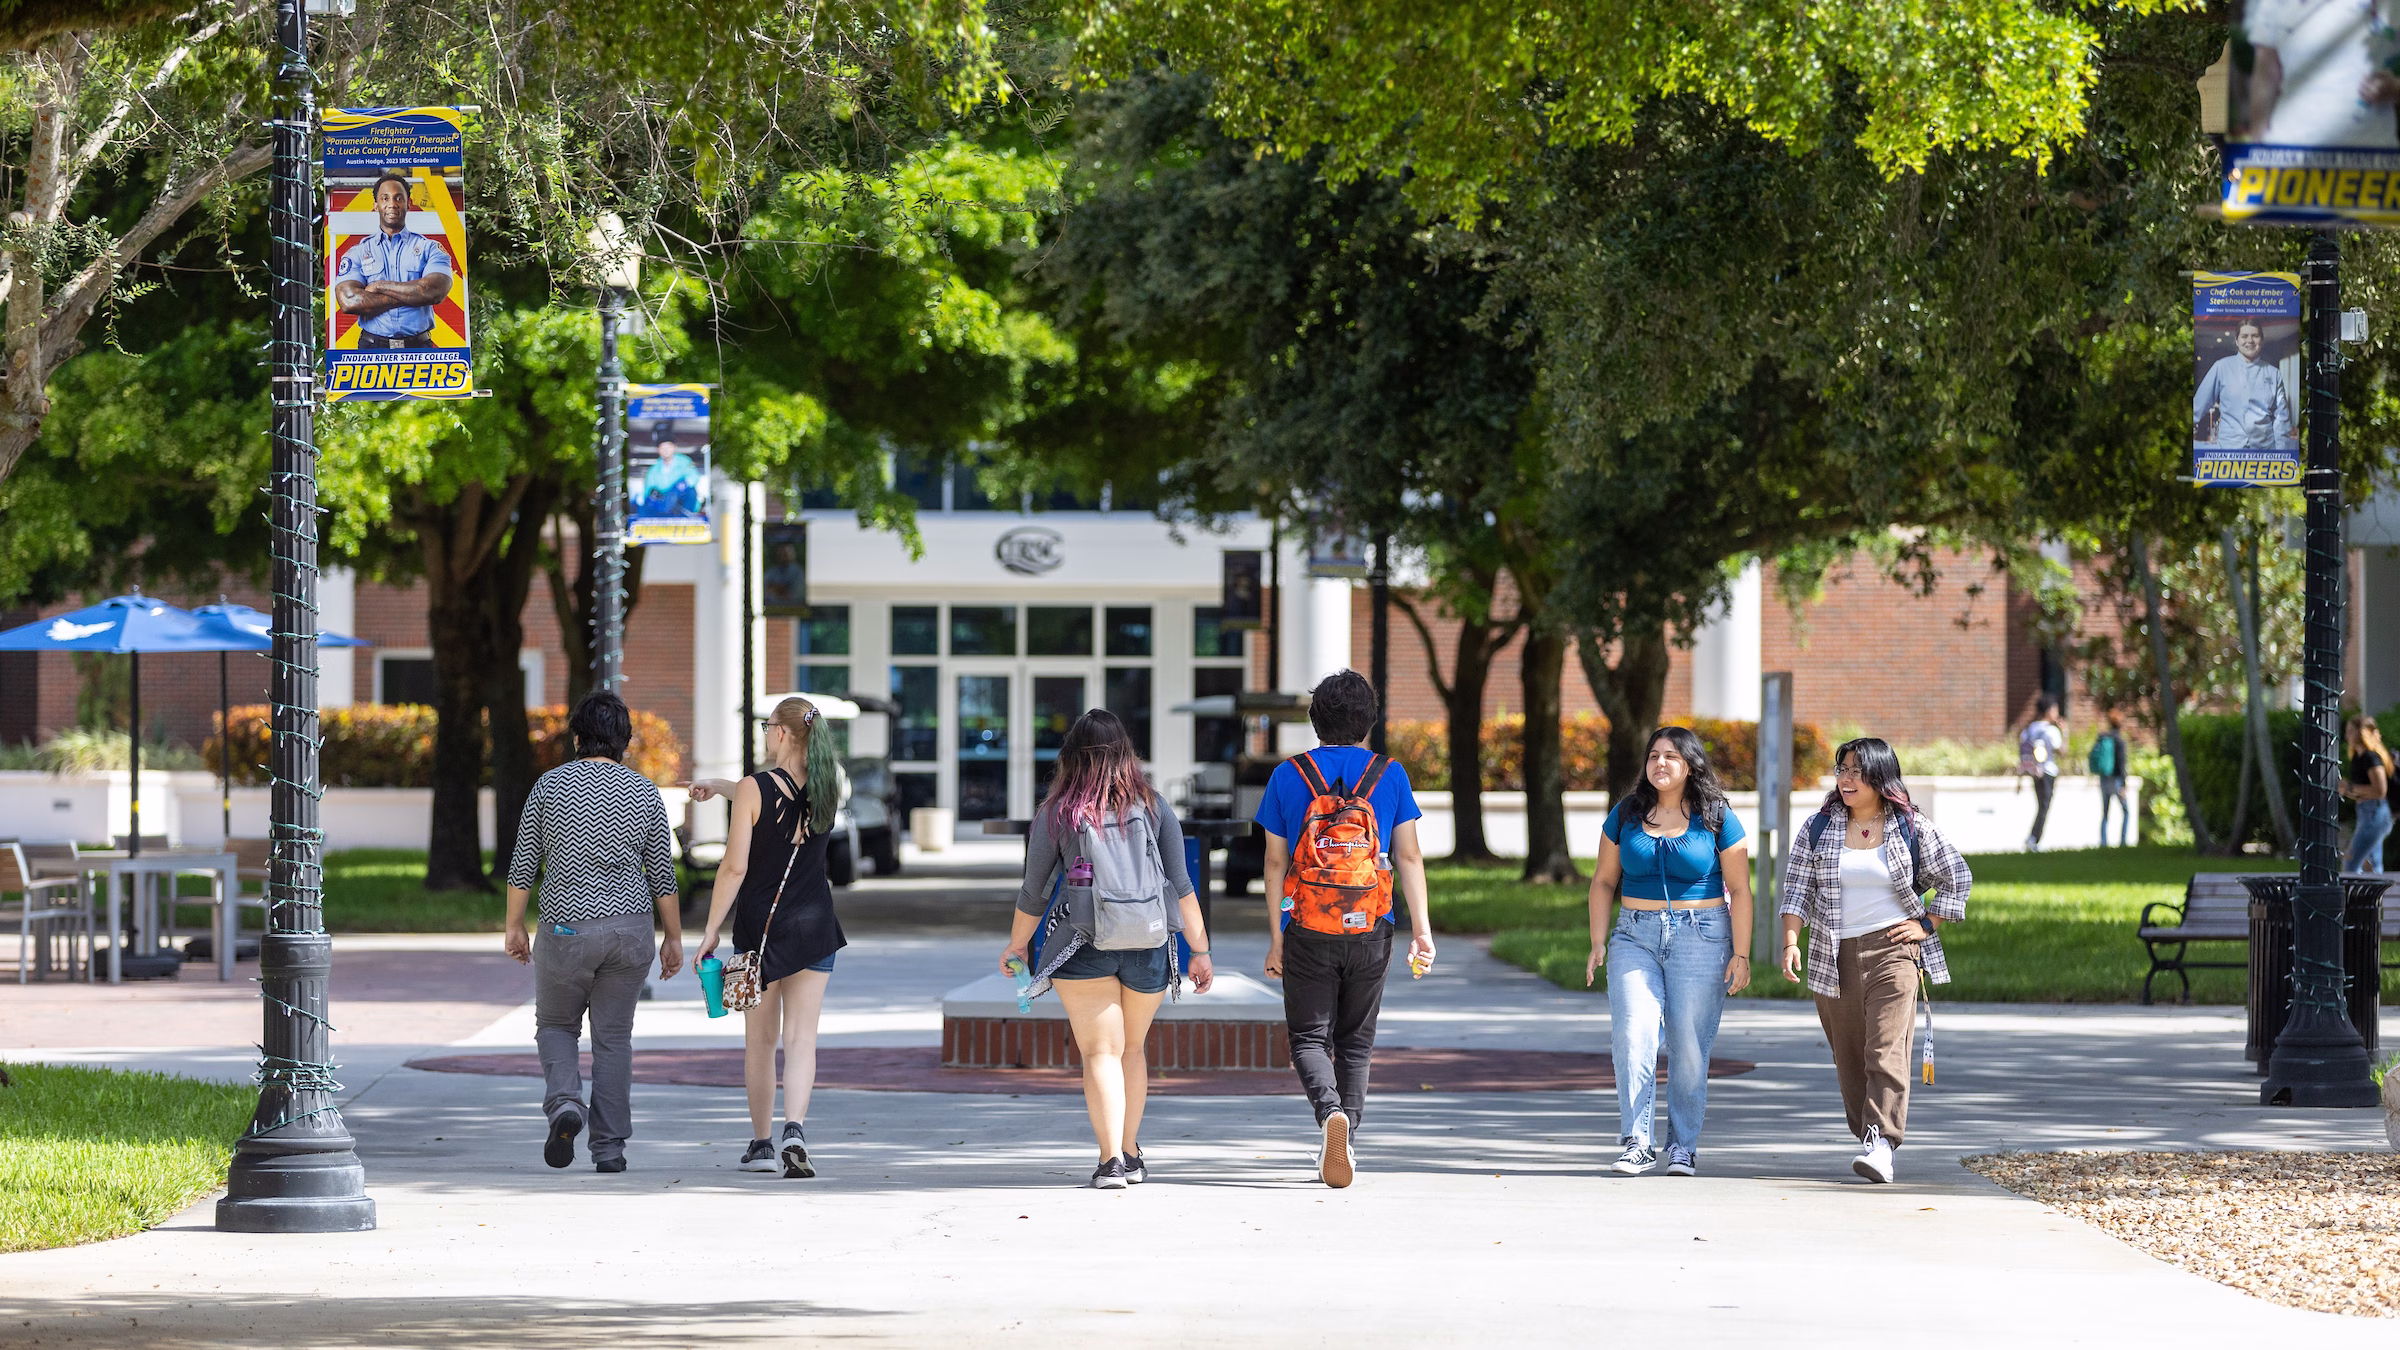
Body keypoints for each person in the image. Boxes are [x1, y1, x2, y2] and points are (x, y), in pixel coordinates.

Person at [1001, 709, 1214, 1189]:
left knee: (1100, 1052)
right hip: (1150, 942)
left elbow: (1034, 893)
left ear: (1071, 756)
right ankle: (1131, 1154)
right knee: (1132, 1050)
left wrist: (1017, 946)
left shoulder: (1057, 814)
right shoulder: (1154, 805)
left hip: (1084, 943)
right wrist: (1199, 949)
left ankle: (1110, 1161)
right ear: (1127, 754)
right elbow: (1182, 886)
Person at [1257, 669, 1435, 1189]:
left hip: (1308, 924)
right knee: (1356, 1040)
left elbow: (1273, 865)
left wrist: (1276, 937)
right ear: (1368, 721)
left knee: (1309, 1037)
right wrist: (1421, 930)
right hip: (1372, 923)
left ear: (1315, 721)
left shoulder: (1288, 776)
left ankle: (1328, 1112)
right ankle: (1347, 1136)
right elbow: (1408, 854)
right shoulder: (1390, 774)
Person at [503, 690, 682, 1173]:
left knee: (557, 1026)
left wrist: (514, 925)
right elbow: (661, 874)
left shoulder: (548, 788)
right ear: (623, 741)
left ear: (577, 737)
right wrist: (674, 938)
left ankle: (564, 1102)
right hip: (629, 934)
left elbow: (523, 866)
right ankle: (610, 1150)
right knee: (614, 1040)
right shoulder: (645, 793)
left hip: (565, 929)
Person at [1778, 738, 1972, 1184]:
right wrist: (1791, 942)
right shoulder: (1819, 827)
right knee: (1849, 1059)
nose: (1845, 779)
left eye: (1856, 771)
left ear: (1880, 778)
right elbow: (1796, 891)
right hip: (1834, 954)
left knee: (1884, 1049)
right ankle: (1867, 1134)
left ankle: (1882, 1142)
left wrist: (1928, 924)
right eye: (1841, 769)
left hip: (1894, 950)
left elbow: (1957, 876)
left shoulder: (1909, 826)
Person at [1582, 726, 1752, 1178]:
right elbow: (1602, 881)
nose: (1659, 764)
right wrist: (1598, 941)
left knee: (1688, 1046)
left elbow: (1740, 887)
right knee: (1633, 1033)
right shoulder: (1626, 813)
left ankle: (1683, 1146)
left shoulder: (1717, 815)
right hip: (1634, 935)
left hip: (1704, 934)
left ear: (1690, 765)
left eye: (1671, 757)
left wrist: (1742, 953)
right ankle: (1637, 1142)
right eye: (1653, 755)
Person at [690, 696, 847, 1178]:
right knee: (802, 1040)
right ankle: (794, 1130)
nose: (764, 734)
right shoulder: (828, 785)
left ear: (780, 732)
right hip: (816, 928)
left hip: (759, 933)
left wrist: (710, 931)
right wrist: (724, 788)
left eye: (766, 726)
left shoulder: (755, 787)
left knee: (760, 1043)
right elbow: (782, 802)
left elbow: (734, 867)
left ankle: (761, 1145)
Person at [2236, 0, 2400, 148]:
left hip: (2370, 152)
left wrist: (2394, 88)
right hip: (2289, 149)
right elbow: (2265, 74)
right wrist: (2257, 145)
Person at [332, 169, 454, 350]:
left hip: (419, 349)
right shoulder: (356, 252)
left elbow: (435, 291)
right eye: (385, 198)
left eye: (399, 198)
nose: (392, 204)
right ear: (376, 206)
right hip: (371, 348)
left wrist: (380, 286)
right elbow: (349, 301)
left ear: (408, 204)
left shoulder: (430, 248)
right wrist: (414, 295)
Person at [2193, 318, 2297, 451]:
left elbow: (2281, 419)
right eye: (2244, 336)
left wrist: (2281, 453)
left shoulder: (2274, 374)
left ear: (2262, 340)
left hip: (2264, 451)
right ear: (2237, 341)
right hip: (2229, 451)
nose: (2250, 341)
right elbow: (2198, 405)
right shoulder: (2221, 367)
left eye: (2255, 336)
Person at [2344, 714, 2395, 873]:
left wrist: (2350, 787)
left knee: (2351, 862)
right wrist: (2346, 790)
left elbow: (2380, 791)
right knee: (2372, 865)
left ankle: (2353, 897)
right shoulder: (2357, 758)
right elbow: (2362, 792)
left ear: (2362, 733)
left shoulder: (2370, 757)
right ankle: (2375, 898)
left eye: (2351, 731)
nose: (2347, 736)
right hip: (2367, 813)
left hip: (2375, 815)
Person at [2018, 697, 2065, 852]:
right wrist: (2064, 732)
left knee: (2041, 805)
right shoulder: (2051, 731)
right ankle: (2034, 839)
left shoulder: (2030, 728)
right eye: (2055, 709)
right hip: (2048, 771)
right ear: (2049, 710)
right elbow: (2062, 751)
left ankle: (2033, 838)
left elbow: (2022, 746)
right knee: (2044, 806)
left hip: (2034, 771)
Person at [2089, 711, 2132, 848]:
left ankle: (2103, 842)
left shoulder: (2103, 738)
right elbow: (2121, 764)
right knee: (2126, 811)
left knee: (2105, 812)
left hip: (2104, 779)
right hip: (2116, 780)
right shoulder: (2119, 741)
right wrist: (2123, 784)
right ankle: (2123, 842)